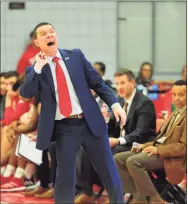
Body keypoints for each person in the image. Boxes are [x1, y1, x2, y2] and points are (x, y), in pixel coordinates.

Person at [20, 22, 126, 204]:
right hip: (64, 128)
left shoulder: (75, 56)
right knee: (65, 177)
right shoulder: (35, 70)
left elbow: (98, 84)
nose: (49, 35)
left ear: (56, 35)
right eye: (43, 34)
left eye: (51, 31)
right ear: (37, 42)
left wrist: (115, 104)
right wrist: (37, 67)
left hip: (90, 122)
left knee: (109, 172)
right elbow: (25, 93)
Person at [75, 68, 156, 203]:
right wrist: (106, 120)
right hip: (119, 142)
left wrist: (117, 141)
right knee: (85, 148)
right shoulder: (118, 100)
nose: (119, 87)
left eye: (123, 83)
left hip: (139, 144)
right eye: (117, 84)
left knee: (113, 151)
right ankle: (87, 191)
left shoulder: (144, 103)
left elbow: (141, 133)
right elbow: (113, 126)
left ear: (132, 83)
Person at [114, 80, 186, 204]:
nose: (176, 98)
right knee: (118, 158)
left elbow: (183, 147)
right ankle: (139, 197)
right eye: (174, 95)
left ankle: (156, 200)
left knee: (133, 161)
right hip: (158, 150)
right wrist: (144, 145)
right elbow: (161, 139)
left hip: (172, 158)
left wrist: (157, 150)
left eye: (181, 95)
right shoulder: (175, 113)